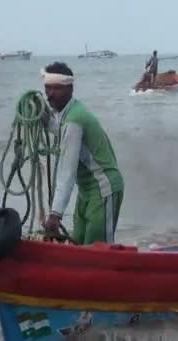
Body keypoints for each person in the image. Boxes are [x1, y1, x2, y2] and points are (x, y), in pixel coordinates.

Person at [40, 62, 124, 244]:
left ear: (70, 88)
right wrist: (46, 122)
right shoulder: (69, 113)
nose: (51, 94)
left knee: (98, 248)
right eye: (48, 88)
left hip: (103, 188)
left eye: (57, 88)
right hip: (87, 190)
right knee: (77, 242)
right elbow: (62, 130)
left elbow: (67, 173)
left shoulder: (74, 120)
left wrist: (55, 214)